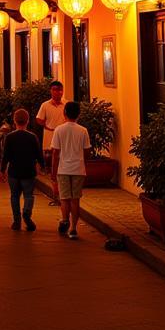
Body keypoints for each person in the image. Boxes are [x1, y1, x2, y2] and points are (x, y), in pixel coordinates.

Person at [50, 101, 91, 239]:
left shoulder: (59, 130)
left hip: (63, 169)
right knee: (75, 200)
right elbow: (86, 151)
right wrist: (83, 164)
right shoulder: (83, 130)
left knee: (65, 199)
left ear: (64, 113)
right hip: (78, 169)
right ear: (79, 114)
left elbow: (55, 153)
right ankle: (73, 228)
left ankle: (65, 220)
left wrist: (53, 172)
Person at [0, 108, 45, 231]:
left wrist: (2, 170)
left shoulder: (9, 137)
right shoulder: (32, 137)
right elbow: (38, 154)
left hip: (14, 172)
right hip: (28, 171)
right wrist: (42, 166)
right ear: (27, 121)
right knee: (29, 195)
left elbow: (6, 155)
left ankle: (16, 221)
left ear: (14, 121)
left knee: (14, 196)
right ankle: (27, 213)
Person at [35, 80, 65, 202]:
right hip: (50, 136)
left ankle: (59, 192)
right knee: (51, 164)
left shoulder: (66, 104)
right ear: (51, 91)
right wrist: (47, 126)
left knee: (61, 163)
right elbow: (39, 119)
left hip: (63, 138)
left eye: (59, 90)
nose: (57, 92)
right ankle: (55, 192)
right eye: (55, 90)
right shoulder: (45, 105)